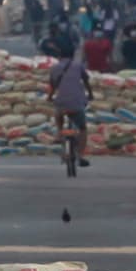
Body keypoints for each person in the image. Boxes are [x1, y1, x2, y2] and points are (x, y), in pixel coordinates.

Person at [51, 44, 94, 175]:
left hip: (61, 102)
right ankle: (80, 155)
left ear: (59, 55)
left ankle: (59, 132)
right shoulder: (78, 66)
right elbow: (86, 81)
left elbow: (53, 85)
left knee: (58, 113)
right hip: (77, 102)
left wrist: (49, 97)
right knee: (82, 128)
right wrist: (90, 94)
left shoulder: (55, 67)